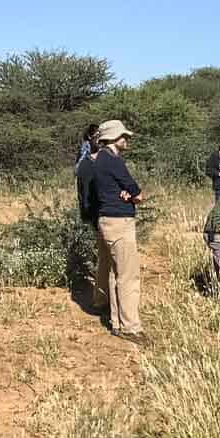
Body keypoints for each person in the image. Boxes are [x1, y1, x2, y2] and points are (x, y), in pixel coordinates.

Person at [90, 119, 149, 345]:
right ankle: (131, 327)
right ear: (114, 137)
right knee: (128, 277)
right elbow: (137, 192)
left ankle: (116, 323)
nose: (127, 139)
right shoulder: (113, 161)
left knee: (116, 273)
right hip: (119, 222)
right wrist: (131, 194)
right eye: (124, 136)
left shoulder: (99, 160)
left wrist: (127, 192)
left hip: (107, 221)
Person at [74, 138, 107, 308]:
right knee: (106, 258)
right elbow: (85, 196)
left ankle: (100, 299)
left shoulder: (87, 164)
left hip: (96, 215)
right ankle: (102, 300)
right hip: (98, 215)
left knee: (103, 257)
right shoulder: (89, 165)